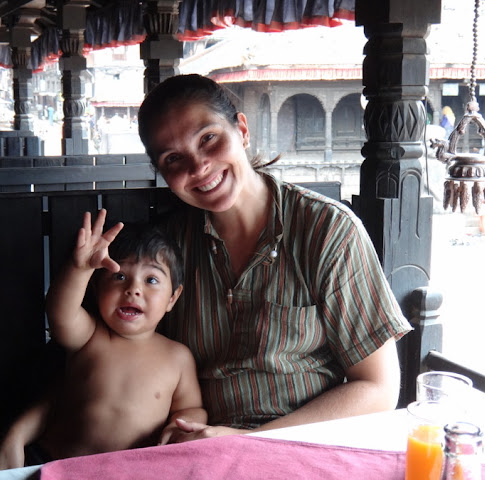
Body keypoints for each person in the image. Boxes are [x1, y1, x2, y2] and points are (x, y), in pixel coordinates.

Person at [135, 74, 412, 440]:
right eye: (174, 159)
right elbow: (124, 351)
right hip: (201, 446)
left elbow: (378, 389)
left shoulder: (326, 230)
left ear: (242, 131)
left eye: (208, 139)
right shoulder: (168, 250)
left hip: (308, 443)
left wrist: (248, 441)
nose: (198, 167)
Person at [0, 211, 206, 470]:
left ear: (173, 297)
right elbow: (61, 312)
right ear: (96, 287)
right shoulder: (90, 335)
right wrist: (79, 269)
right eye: (119, 276)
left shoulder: (177, 356)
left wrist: (180, 424)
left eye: (151, 279)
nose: (133, 289)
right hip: (57, 462)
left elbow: (192, 407)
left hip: (130, 472)